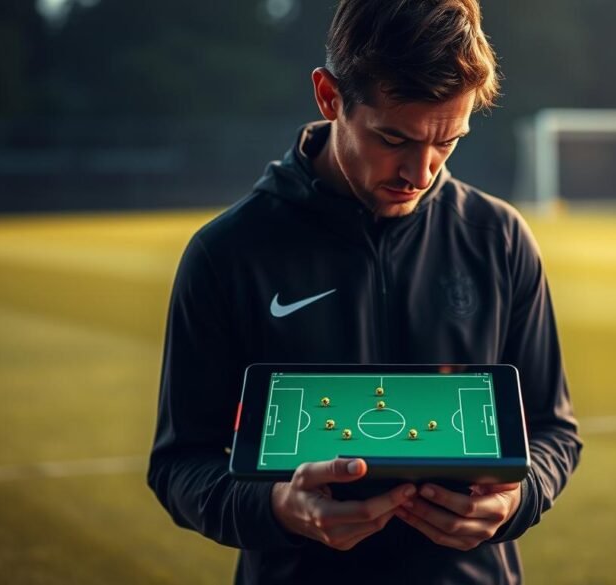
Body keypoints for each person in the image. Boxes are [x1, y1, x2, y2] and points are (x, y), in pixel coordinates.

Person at [147, 1, 581, 583]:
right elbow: (180, 465)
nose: (420, 172)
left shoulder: (498, 239)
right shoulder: (228, 254)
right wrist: (279, 508)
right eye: (393, 138)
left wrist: (514, 502)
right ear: (330, 98)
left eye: (447, 142)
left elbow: (553, 431)